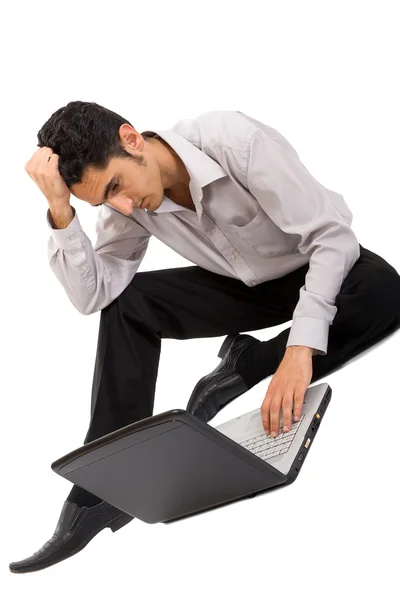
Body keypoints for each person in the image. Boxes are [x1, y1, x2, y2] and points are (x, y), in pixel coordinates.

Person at [10, 102, 400, 574]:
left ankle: (245, 365)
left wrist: (296, 353)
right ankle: (101, 489)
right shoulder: (126, 206)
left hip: (313, 264)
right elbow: (94, 294)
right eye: (104, 203)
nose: (122, 207)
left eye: (115, 186)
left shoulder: (234, 141)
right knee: (127, 304)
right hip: (240, 285)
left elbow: (332, 239)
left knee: (384, 290)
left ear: (132, 140)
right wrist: (60, 210)